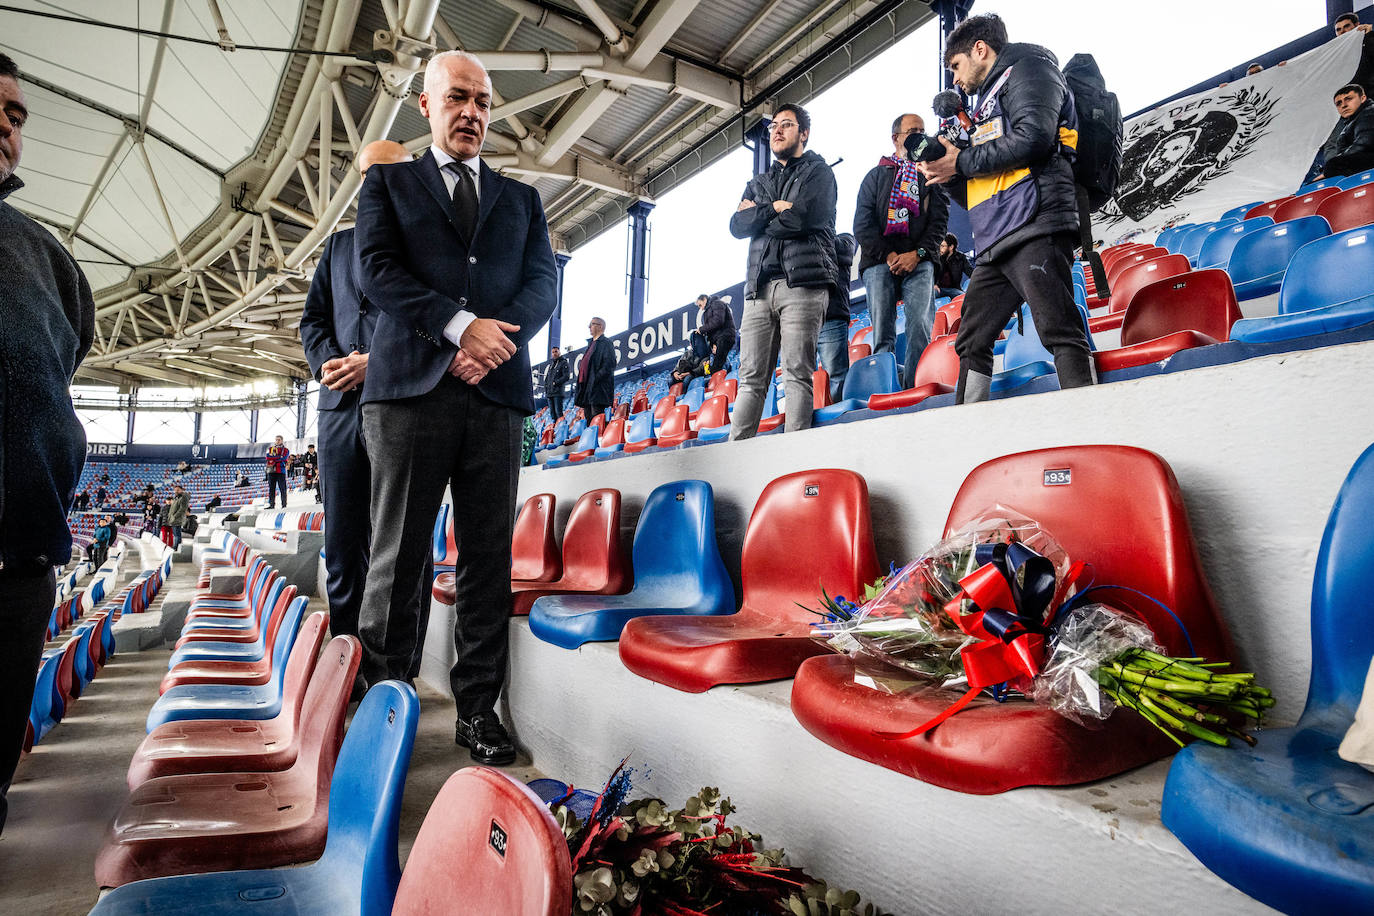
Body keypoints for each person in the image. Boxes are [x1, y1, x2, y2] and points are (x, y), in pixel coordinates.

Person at [355, 50, 557, 765]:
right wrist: (454, 327)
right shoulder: (388, 184)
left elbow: (541, 287)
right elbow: (375, 271)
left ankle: (478, 711)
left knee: (486, 561)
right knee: (398, 557)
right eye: (458, 99)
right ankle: (385, 709)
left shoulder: (522, 200)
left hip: (494, 394)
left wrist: (489, 344)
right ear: (426, 107)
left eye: (482, 101)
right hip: (410, 392)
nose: (472, 112)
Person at [0, 51, 95, 834]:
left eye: (17, 114)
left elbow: (59, 366)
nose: (7, 124)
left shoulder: (45, 256)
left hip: (17, 568)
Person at [301, 138, 433, 672]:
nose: (374, 185)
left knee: (401, 549)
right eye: (367, 175)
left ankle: (397, 671)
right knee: (342, 549)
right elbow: (312, 321)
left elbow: (436, 328)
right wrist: (329, 361)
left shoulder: (430, 249)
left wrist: (372, 362)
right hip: (337, 412)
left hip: (399, 405)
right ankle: (345, 667)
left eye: (388, 175)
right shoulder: (336, 248)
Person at [918, 13, 1095, 404]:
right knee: (972, 339)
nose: (955, 79)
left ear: (980, 50)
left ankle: (1089, 424)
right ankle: (969, 431)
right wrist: (950, 176)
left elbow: (1033, 138)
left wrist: (961, 162)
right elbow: (981, 185)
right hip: (996, 236)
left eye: (956, 66)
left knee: (1057, 327)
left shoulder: (1030, 68)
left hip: (1036, 222)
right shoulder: (982, 106)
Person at [729, 102, 838, 438]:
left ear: (803, 133)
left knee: (796, 373)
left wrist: (760, 217)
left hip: (803, 284)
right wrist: (775, 208)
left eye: (787, 124)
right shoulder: (758, 182)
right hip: (758, 289)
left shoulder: (819, 173)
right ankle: (736, 456)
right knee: (750, 379)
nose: (777, 130)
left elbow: (807, 217)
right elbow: (736, 225)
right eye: (774, 125)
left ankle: (795, 459)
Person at [854, 112, 950, 387]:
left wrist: (917, 255)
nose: (920, 134)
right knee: (883, 334)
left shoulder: (932, 173)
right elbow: (863, 223)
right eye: (912, 131)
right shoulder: (875, 176)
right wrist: (889, 255)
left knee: (919, 325)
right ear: (896, 138)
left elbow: (939, 224)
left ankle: (914, 388)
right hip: (878, 261)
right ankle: (886, 391)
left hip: (919, 260)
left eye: (923, 129)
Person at [817, 232, 858, 401]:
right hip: (804, 318)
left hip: (832, 316)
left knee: (836, 375)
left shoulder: (845, 239)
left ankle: (839, 416)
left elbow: (843, 252)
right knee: (805, 376)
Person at [1316, 84, 1374, 179]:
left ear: (1363, 98)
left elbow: (1364, 144)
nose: (1344, 105)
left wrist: (1332, 166)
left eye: (1349, 99)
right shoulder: (1353, 120)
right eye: (1339, 103)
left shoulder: (1368, 112)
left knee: (1334, 164)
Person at [573, 317, 615, 421]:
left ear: (600, 326)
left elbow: (609, 364)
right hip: (587, 388)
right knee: (589, 419)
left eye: (592, 324)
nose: (589, 327)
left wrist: (595, 379)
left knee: (596, 419)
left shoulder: (606, 343)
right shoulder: (591, 344)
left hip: (597, 388)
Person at [696, 294, 737, 374]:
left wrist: (702, 329)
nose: (701, 308)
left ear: (704, 299)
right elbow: (711, 330)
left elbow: (718, 321)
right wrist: (713, 344)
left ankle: (727, 380)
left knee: (717, 366)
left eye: (700, 305)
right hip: (719, 339)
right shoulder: (706, 312)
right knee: (719, 363)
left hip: (725, 336)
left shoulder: (717, 303)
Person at [1335, 12, 1374, 95]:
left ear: (1357, 25)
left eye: (1346, 26)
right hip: (1356, 100)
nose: (1342, 31)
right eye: (1338, 29)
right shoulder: (1336, 55)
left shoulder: (1369, 39)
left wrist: (1369, 35)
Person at [934, 234, 972, 299]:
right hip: (938, 288)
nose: (940, 248)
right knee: (928, 296)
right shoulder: (937, 256)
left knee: (965, 299)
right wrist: (934, 284)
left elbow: (970, 272)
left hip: (954, 289)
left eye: (943, 246)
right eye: (940, 246)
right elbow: (930, 273)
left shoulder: (960, 258)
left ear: (951, 247)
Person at [542, 346, 570, 419]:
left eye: (556, 351)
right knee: (552, 414)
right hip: (550, 393)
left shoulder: (564, 363)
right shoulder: (551, 364)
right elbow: (548, 377)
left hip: (558, 392)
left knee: (558, 412)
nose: (554, 353)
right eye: (553, 352)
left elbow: (566, 376)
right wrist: (546, 386)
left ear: (559, 352)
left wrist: (555, 383)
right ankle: (554, 429)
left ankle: (560, 428)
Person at [264, 435, 290, 509]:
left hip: (281, 471)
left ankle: (284, 505)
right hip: (271, 471)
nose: (277, 441)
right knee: (271, 488)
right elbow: (267, 457)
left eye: (279, 440)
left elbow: (284, 458)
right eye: (276, 440)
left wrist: (274, 458)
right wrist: (279, 457)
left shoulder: (285, 450)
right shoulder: (270, 449)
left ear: (282, 440)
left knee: (282, 488)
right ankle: (271, 505)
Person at [166, 484, 190, 549]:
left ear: (181, 490)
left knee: (177, 535)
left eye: (178, 490)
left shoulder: (183, 497)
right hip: (173, 519)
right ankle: (176, 547)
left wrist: (175, 516)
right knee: (175, 535)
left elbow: (182, 509)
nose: (176, 491)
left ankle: (176, 548)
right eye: (175, 490)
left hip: (177, 519)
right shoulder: (176, 498)